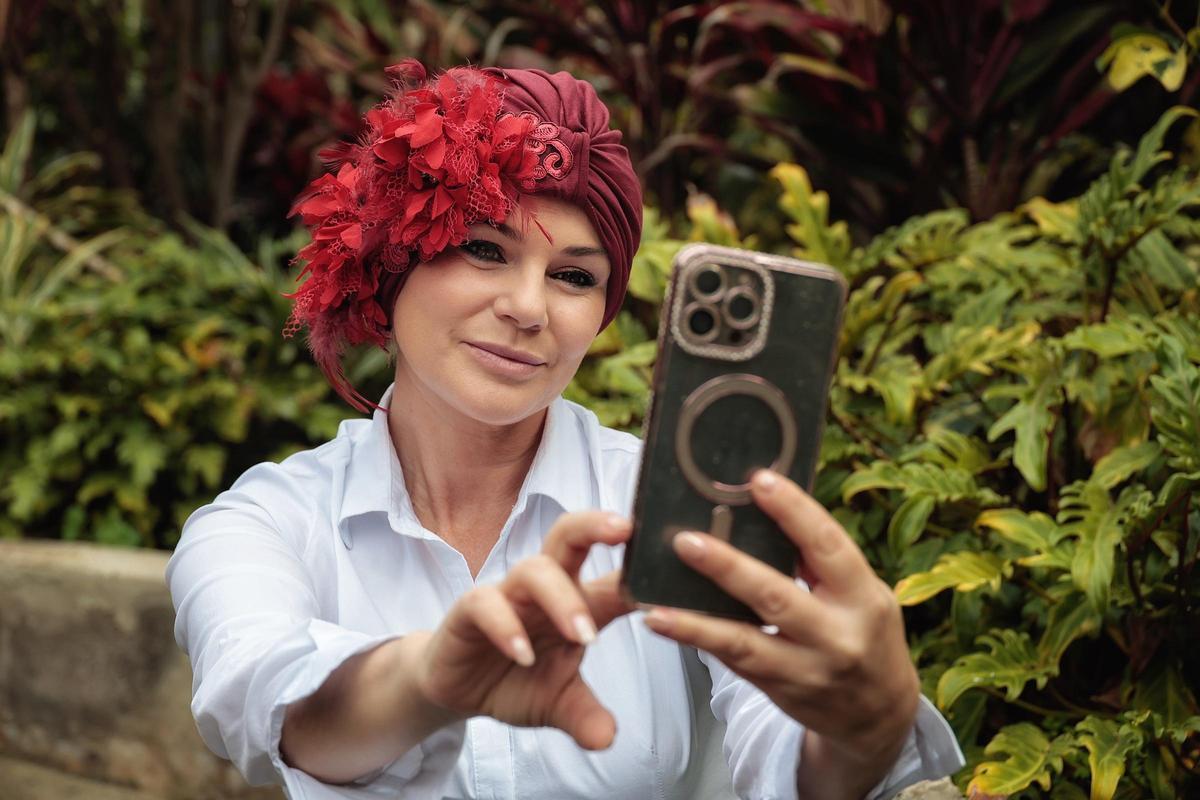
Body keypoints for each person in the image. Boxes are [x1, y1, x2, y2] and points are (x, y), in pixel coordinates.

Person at [166, 61, 964, 800]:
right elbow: (276, 703)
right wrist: (431, 679)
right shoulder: (263, 523)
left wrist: (858, 735)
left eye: (575, 276)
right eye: (484, 248)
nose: (528, 308)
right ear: (391, 264)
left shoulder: (673, 505)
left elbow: (784, 734)